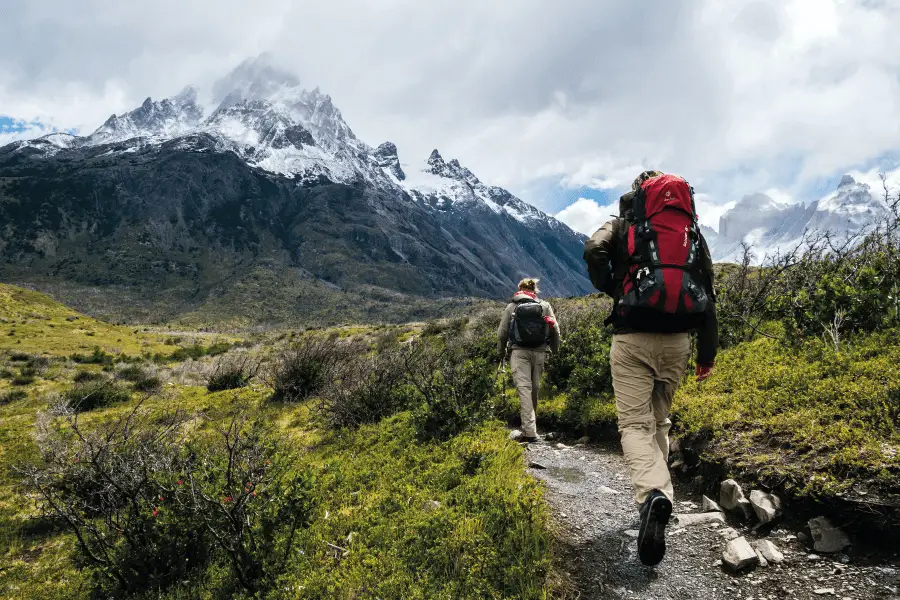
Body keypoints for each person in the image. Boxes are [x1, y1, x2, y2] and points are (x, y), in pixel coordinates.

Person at [583, 170, 718, 567]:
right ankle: (660, 497)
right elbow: (707, 290)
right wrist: (706, 354)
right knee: (659, 422)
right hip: (678, 341)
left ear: (638, 192)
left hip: (632, 338)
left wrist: (613, 287)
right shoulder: (689, 230)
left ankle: (652, 496)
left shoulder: (624, 223)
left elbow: (594, 249)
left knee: (634, 425)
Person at [497, 278, 561, 443]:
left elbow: (502, 333)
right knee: (534, 389)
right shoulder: (544, 306)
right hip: (540, 352)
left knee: (524, 390)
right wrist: (555, 351)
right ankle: (531, 428)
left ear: (519, 289)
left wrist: (501, 353)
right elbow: (555, 329)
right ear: (535, 290)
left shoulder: (512, 307)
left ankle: (530, 432)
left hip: (519, 352)